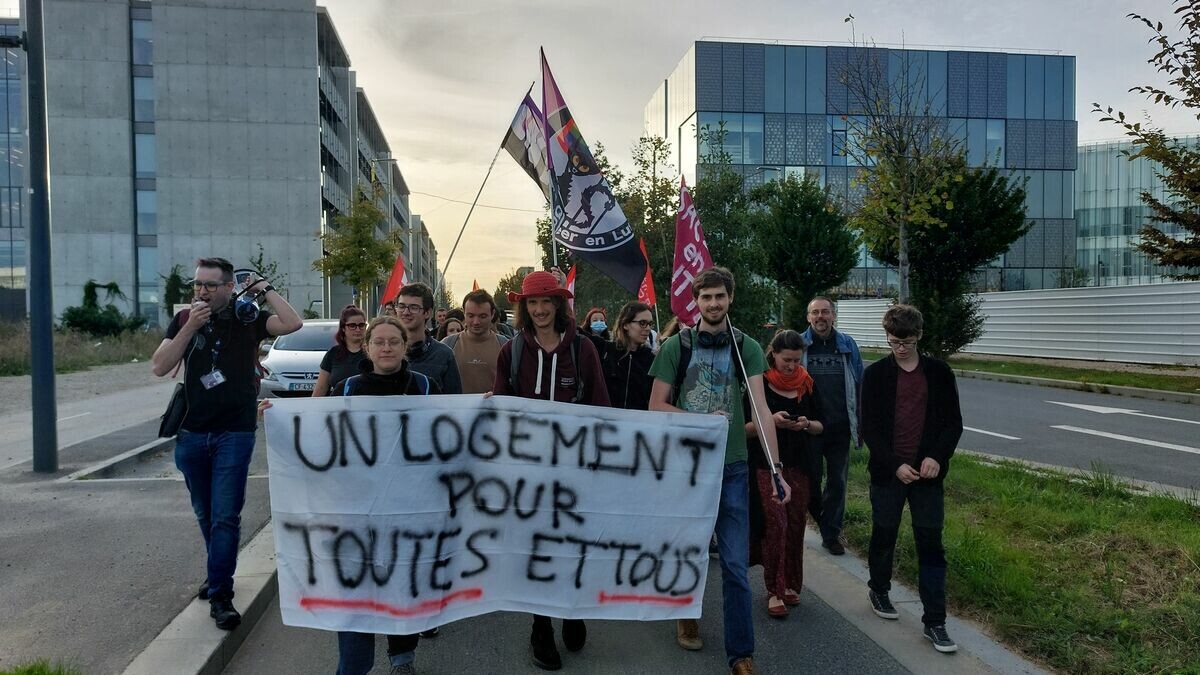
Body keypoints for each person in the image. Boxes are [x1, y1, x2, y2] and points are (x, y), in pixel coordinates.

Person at [261, 316, 440, 674]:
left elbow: (447, 433)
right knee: (355, 587)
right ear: (368, 347)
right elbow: (318, 435)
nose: (387, 348)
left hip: (408, 507)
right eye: (380, 342)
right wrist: (277, 417)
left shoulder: (425, 386)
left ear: (406, 347)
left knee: (401, 583)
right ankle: (354, 666)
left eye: (394, 341)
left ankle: (402, 656)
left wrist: (482, 412)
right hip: (353, 509)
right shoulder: (347, 388)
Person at [648, 266, 790, 675]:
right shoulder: (677, 346)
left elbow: (761, 410)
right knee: (687, 552)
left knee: (734, 564)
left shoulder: (746, 348)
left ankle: (741, 653)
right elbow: (656, 406)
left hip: (733, 469)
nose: (713, 304)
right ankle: (685, 612)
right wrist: (697, 420)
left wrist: (776, 469)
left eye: (720, 297)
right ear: (696, 301)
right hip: (686, 469)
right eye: (706, 297)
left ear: (730, 299)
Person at [150, 256, 302, 630]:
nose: (201, 291)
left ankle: (221, 594)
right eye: (197, 285)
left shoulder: (247, 316)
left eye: (210, 285)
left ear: (229, 287)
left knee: (225, 515)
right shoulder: (186, 319)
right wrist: (191, 327)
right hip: (192, 432)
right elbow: (159, 365)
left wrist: (265, 288)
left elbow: (292, 323)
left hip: (235, 431)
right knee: (206, 514)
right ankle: (217, 573)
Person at [491, 269, 610, 671]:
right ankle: (540, 626)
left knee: (572, 544)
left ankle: (572, 609)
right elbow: (503, 415)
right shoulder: (512, 353)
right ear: (523, 307)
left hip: (574, 472)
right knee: (534, 548)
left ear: (559, 305)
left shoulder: (584, 350)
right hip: (527, 474)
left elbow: (601, 410)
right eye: (532, 303)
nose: (540, 310)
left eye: (546, 302)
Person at [860, 305, 963, 655]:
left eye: (905, 341)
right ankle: (879, 587)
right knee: (884, 532)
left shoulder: (938, 373)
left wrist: (936, 456)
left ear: (918, 336)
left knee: (931, 544)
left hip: (928, 475)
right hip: (890, 473)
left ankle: (935, 621)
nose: (899, 348)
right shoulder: (875, 375)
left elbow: (953, 423)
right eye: (892, 342)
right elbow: (868, 428)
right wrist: (894, 465)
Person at [744, 330, 823, 619]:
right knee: (775, 525)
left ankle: (791, 583)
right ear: (773, 354)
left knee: (795, 525)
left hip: (800, 464)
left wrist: (805, 423)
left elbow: (822, 425)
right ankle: (774, 589)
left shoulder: (808, 384)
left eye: (796, 360)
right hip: (765, 464)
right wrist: (770, 422)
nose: (791, 366)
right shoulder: (758, 384)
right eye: (786, 360)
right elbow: (743, 429)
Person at [801, 296, 864, 555]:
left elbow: (860, 383)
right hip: (810, 428)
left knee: (837, 482)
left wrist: (860, 422)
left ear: (833, 315)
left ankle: (831, 533)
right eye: (815, 313)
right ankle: (822, 519)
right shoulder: (800, 344)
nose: (820, 317)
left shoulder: (847, 345)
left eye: (825, 312)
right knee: (811, 484)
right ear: (808, 317)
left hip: (839, 427)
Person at [394, 283, 463, 394]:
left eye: (413, 307)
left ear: (428, 313)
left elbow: (453, 402)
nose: (406, 312)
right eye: (401, 306)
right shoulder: (382, 351)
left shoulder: (444, 355)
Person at [443, 289, 508, 394]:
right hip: (456, 409)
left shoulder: (505, 346)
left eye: (482, 316)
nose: (476, 322)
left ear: (492, 314)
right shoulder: (447, 345)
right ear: (464, 314)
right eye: (471, 316)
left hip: (494, 409)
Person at [602, 301, 655, 411]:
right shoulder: (605, 351)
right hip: (605, 423)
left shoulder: (651, 359)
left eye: (650, 324)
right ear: (625, 324)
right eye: (642, 323)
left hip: (637, 425)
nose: (648, 328)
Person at [313, 305, 367, 396]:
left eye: (361, 325)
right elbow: (321, 388)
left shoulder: (372, 352)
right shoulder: (333, 353)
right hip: (338, 406)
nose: (358, 329)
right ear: (343, 328)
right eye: (352, 326)